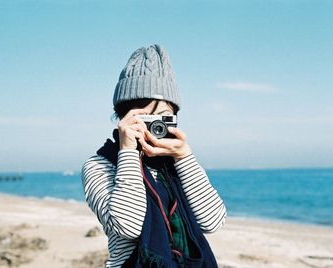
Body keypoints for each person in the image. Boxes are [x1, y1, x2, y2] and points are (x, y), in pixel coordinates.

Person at [82, 44, 226, 268]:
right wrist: (128, 151)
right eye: (144, 116)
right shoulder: (99, 166)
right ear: (123, 116)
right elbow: (128, 226)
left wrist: (185, 157)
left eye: (164, 117)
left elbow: (212, 221)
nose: (154, 126)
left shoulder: (175, 162)